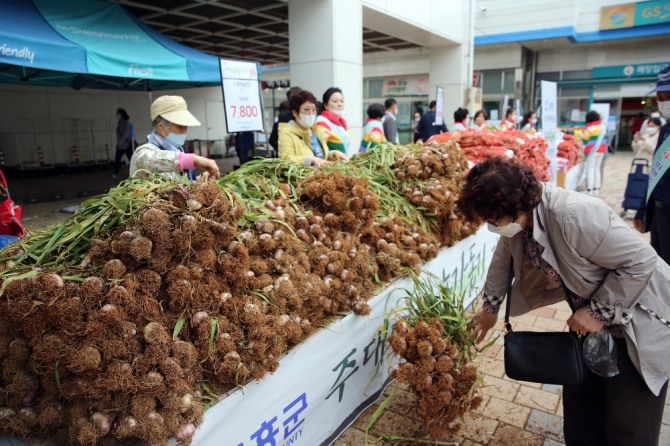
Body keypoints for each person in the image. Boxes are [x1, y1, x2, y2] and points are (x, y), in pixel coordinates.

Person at [460, 157, 670, 446]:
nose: (490, 227)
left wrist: (597, 313)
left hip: (638, 320)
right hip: (590, 322)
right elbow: (502, 259)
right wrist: (490, 309)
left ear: (515, 207)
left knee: (628, 425)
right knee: (582, 414)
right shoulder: (522, 221)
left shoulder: (574, 214)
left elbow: (641, 261)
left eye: (492, 220)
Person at [130, 95, 220, 180]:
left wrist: (200, 180)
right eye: (180, 127)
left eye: (186, 127)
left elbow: (178, 189)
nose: (185, 132)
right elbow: (152, 160)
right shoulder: (142, 153)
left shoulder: (178, 150)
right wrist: (193, 159)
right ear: (161, 126)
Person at [635, 66, 670, 264]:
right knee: (661, 266)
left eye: (667, 96)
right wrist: (643, 210)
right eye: (661, 97)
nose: (663, 101)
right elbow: (656, 173)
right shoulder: (665, 130)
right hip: (659, 214)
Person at [278, 89, 349, 168]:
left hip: (321, 177)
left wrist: (333, 154)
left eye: (313, 110)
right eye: (306, 110)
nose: (311, 114)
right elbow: (285, 160)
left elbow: (319, 155)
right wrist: (310, 160)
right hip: (304, 179)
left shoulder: (317, 130)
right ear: (295, 113)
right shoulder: (286, 133)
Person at [574, 110, 607, 196]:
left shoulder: (589, 128)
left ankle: (589, 190)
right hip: (601, 151)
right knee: (597, 170)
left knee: (590, 170)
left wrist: (579, 133)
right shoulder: (603, 127)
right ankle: (597, 189)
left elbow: (583, 140)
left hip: (592, 152)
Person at [315, 87, 350, 154]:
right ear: (326, 105)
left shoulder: (342, 123)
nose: (340, 104)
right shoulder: (322, 122)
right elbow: (321, 150)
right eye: (335, 101)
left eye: (342, 101)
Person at [269, 87, 302, 154]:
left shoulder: (281, 119)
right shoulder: (286, 119)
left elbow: (272, 140)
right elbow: (272, 140)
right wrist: (284, 149)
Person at [112, 108, 133, 179]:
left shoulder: (126, 123)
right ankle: (115, 173)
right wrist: (119, 143)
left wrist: (120, 142)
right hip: (121, 145)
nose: (117, 115)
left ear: (121, 114)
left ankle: (136, 173)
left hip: (126, 144)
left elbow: (126, 134)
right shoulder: (120, 122)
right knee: (117, 159)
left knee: (132, 160)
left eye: (118, 114)